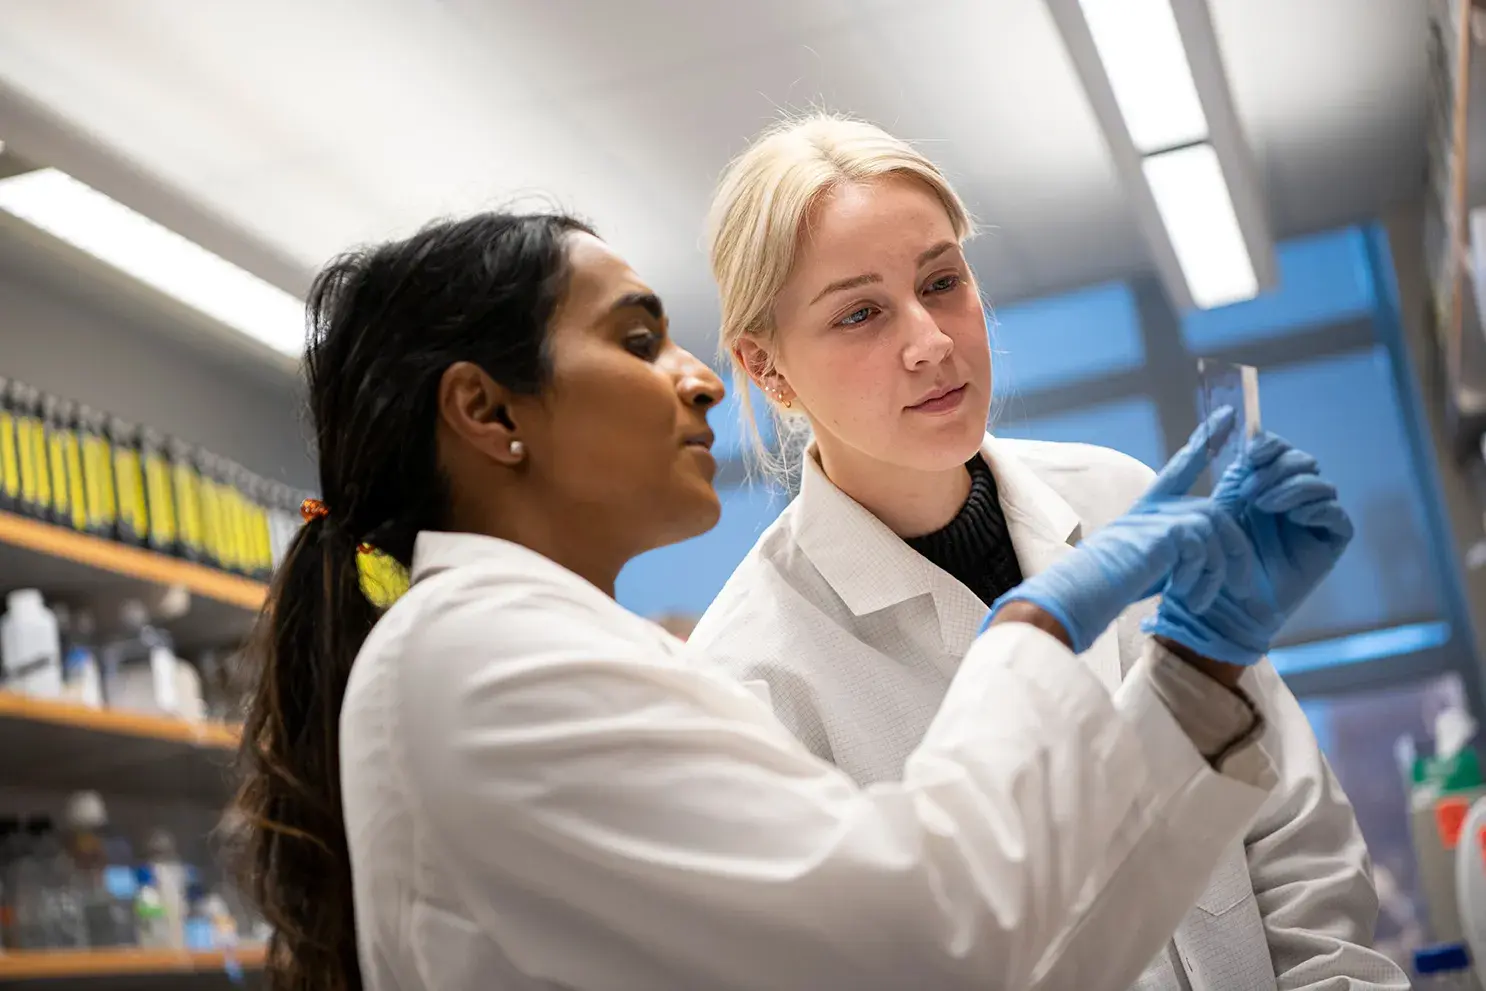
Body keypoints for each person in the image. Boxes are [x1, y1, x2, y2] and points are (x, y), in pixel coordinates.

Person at [231, 211, 1293, 991]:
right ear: (486, 410)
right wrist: (1033, 623)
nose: (697, 380)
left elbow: (1001, 951)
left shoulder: (536, 648)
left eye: (944, 282)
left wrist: (1195, 682)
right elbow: (930, 937)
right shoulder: (481, 659)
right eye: (640, 342)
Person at [688, 113, 1410, 990]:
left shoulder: (1117, 497)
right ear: (767, 368)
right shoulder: (752, 677)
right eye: (862, 313)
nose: (933, 340)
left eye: (942, 280)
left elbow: (1294, 829)